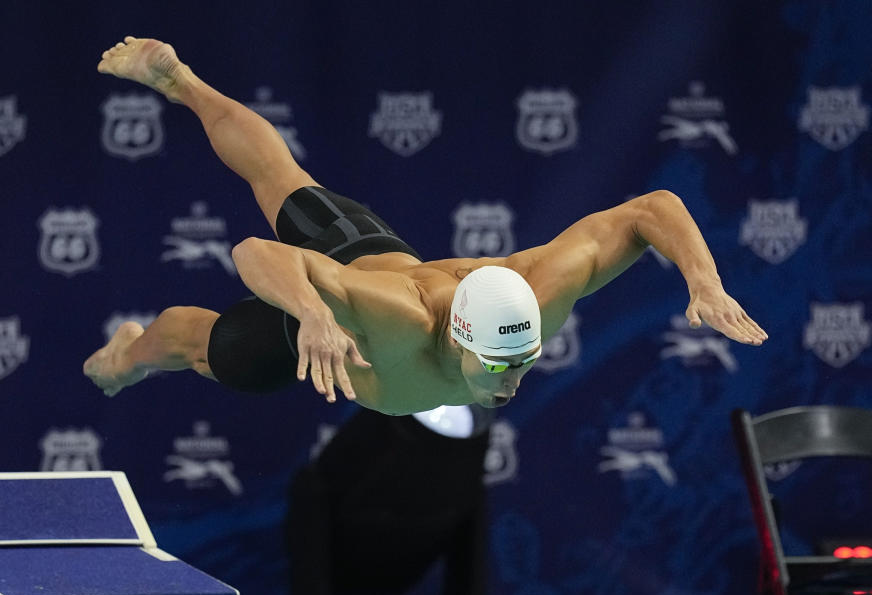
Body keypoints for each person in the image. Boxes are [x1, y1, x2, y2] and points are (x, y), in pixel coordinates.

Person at [84, 36, 768, 416]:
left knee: (286, 180)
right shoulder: (396, 320)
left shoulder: (539, 294)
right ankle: (125, 356)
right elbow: (256, 251)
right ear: (458, 337)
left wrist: (703, 284)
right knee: (202, 348)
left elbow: (652, 210)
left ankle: (182, 83)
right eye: (499, 369)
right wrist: (313, 316)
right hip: (333, 310)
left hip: (380, 255)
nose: (509, 387)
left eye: (522, 365)